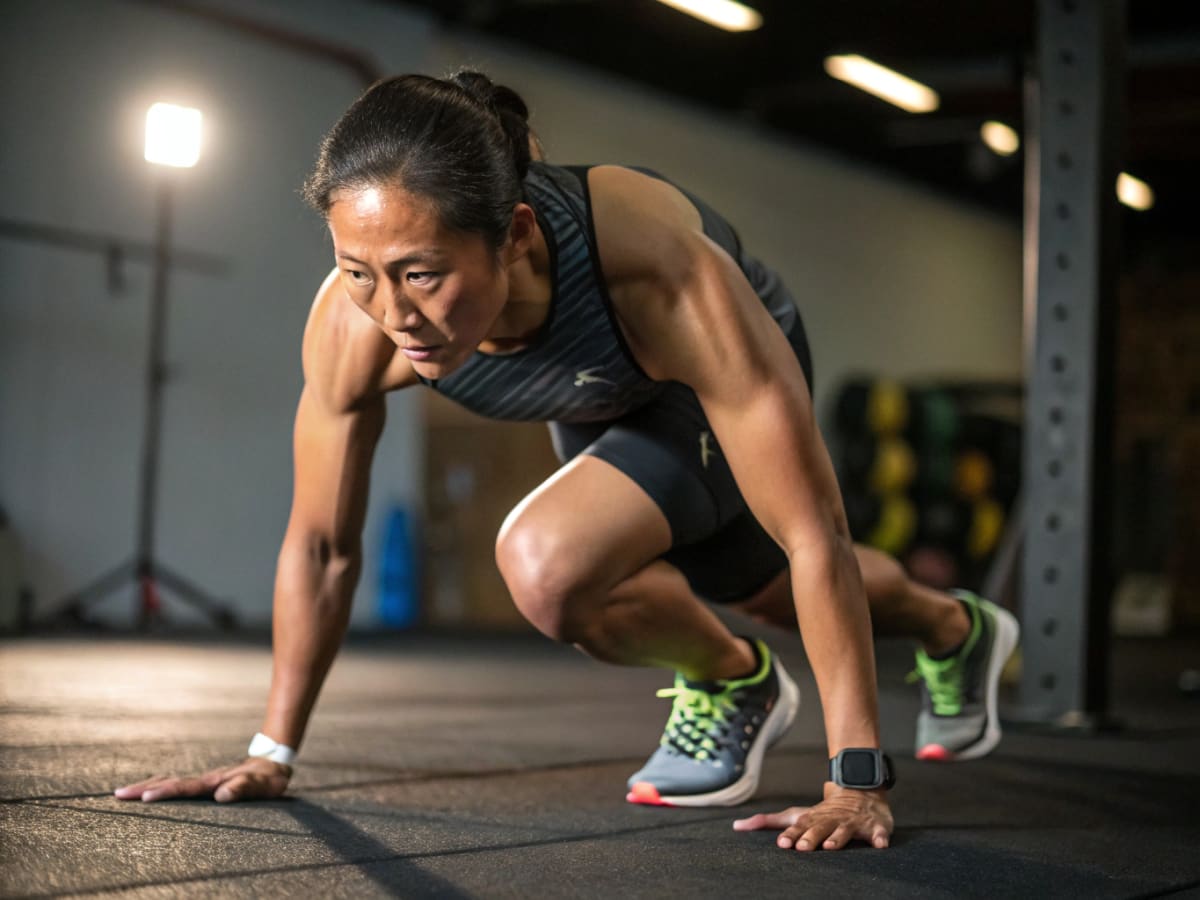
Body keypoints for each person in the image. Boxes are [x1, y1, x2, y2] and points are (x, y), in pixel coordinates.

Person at [115, 72, 1020, 852]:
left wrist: (855, 780)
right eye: (359, 270)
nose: (392, 313)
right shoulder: (354, 327)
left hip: (699, 373)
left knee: (612, 563)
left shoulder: (657, 272)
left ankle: (883, 644)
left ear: (511, 234)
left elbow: (815, 529)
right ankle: (915, 637)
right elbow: (319, 546)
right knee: (736, 591)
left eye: (422, 273)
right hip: (595, 398)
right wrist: (273, 753)